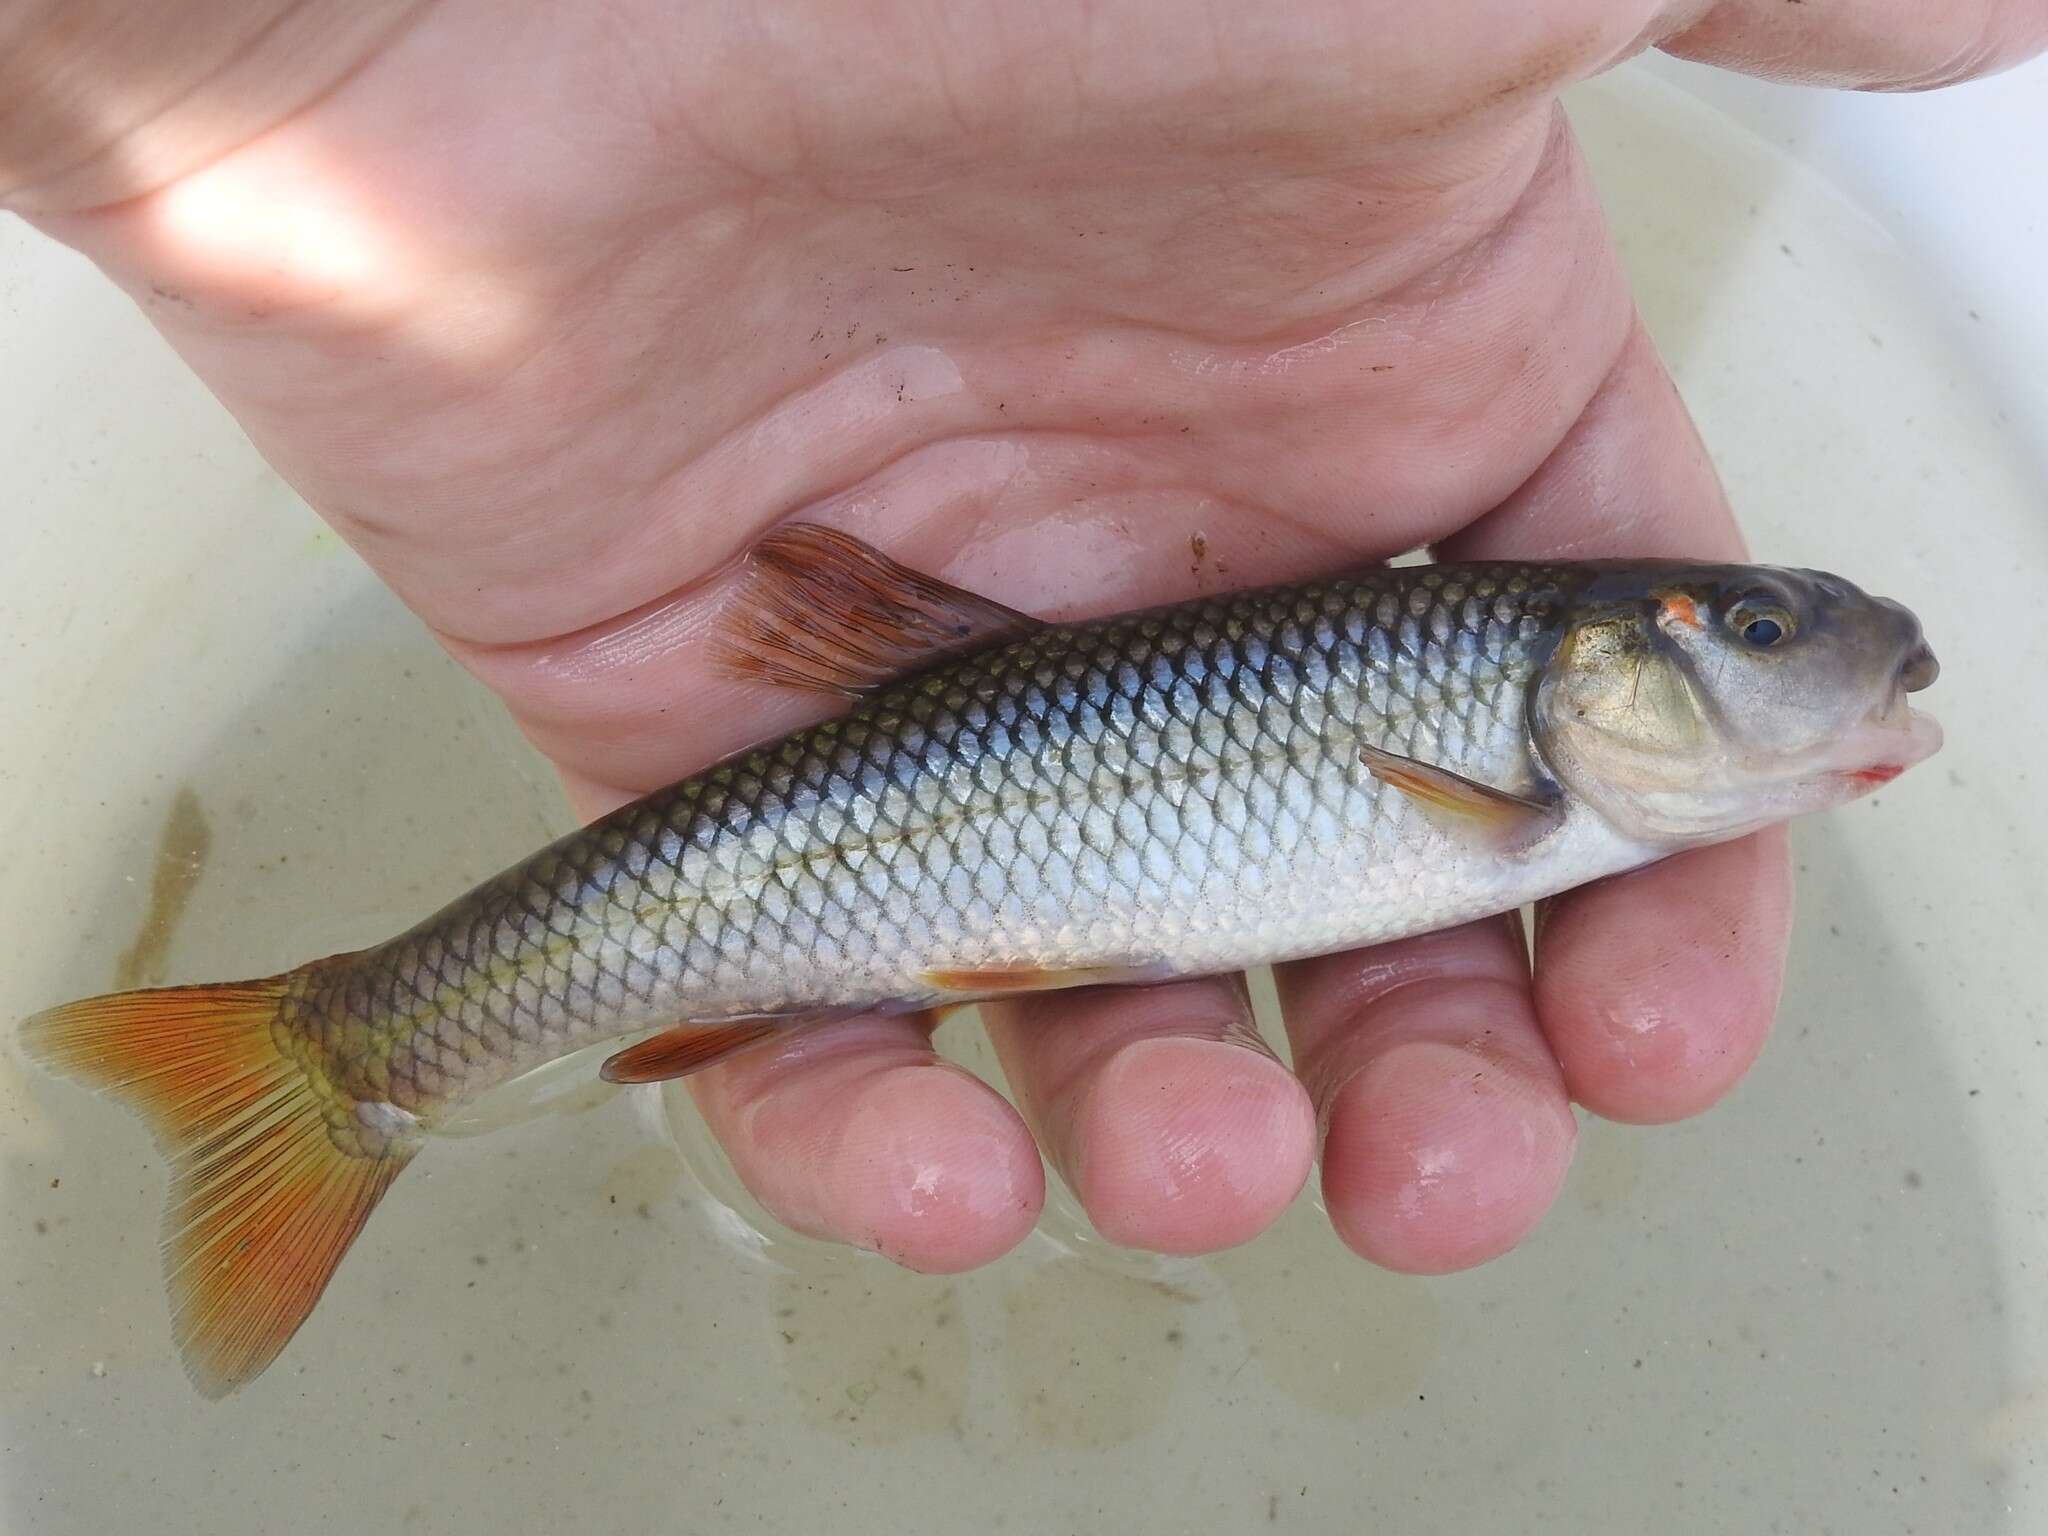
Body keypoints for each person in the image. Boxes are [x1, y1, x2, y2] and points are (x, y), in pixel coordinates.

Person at [5, 0, 2042, 1279]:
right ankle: (340, 1055)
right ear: (1610, 668)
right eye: (1758, 628)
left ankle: (347, 1049)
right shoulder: (1510, 769)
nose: (1813, 646)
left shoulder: (1529, 755)